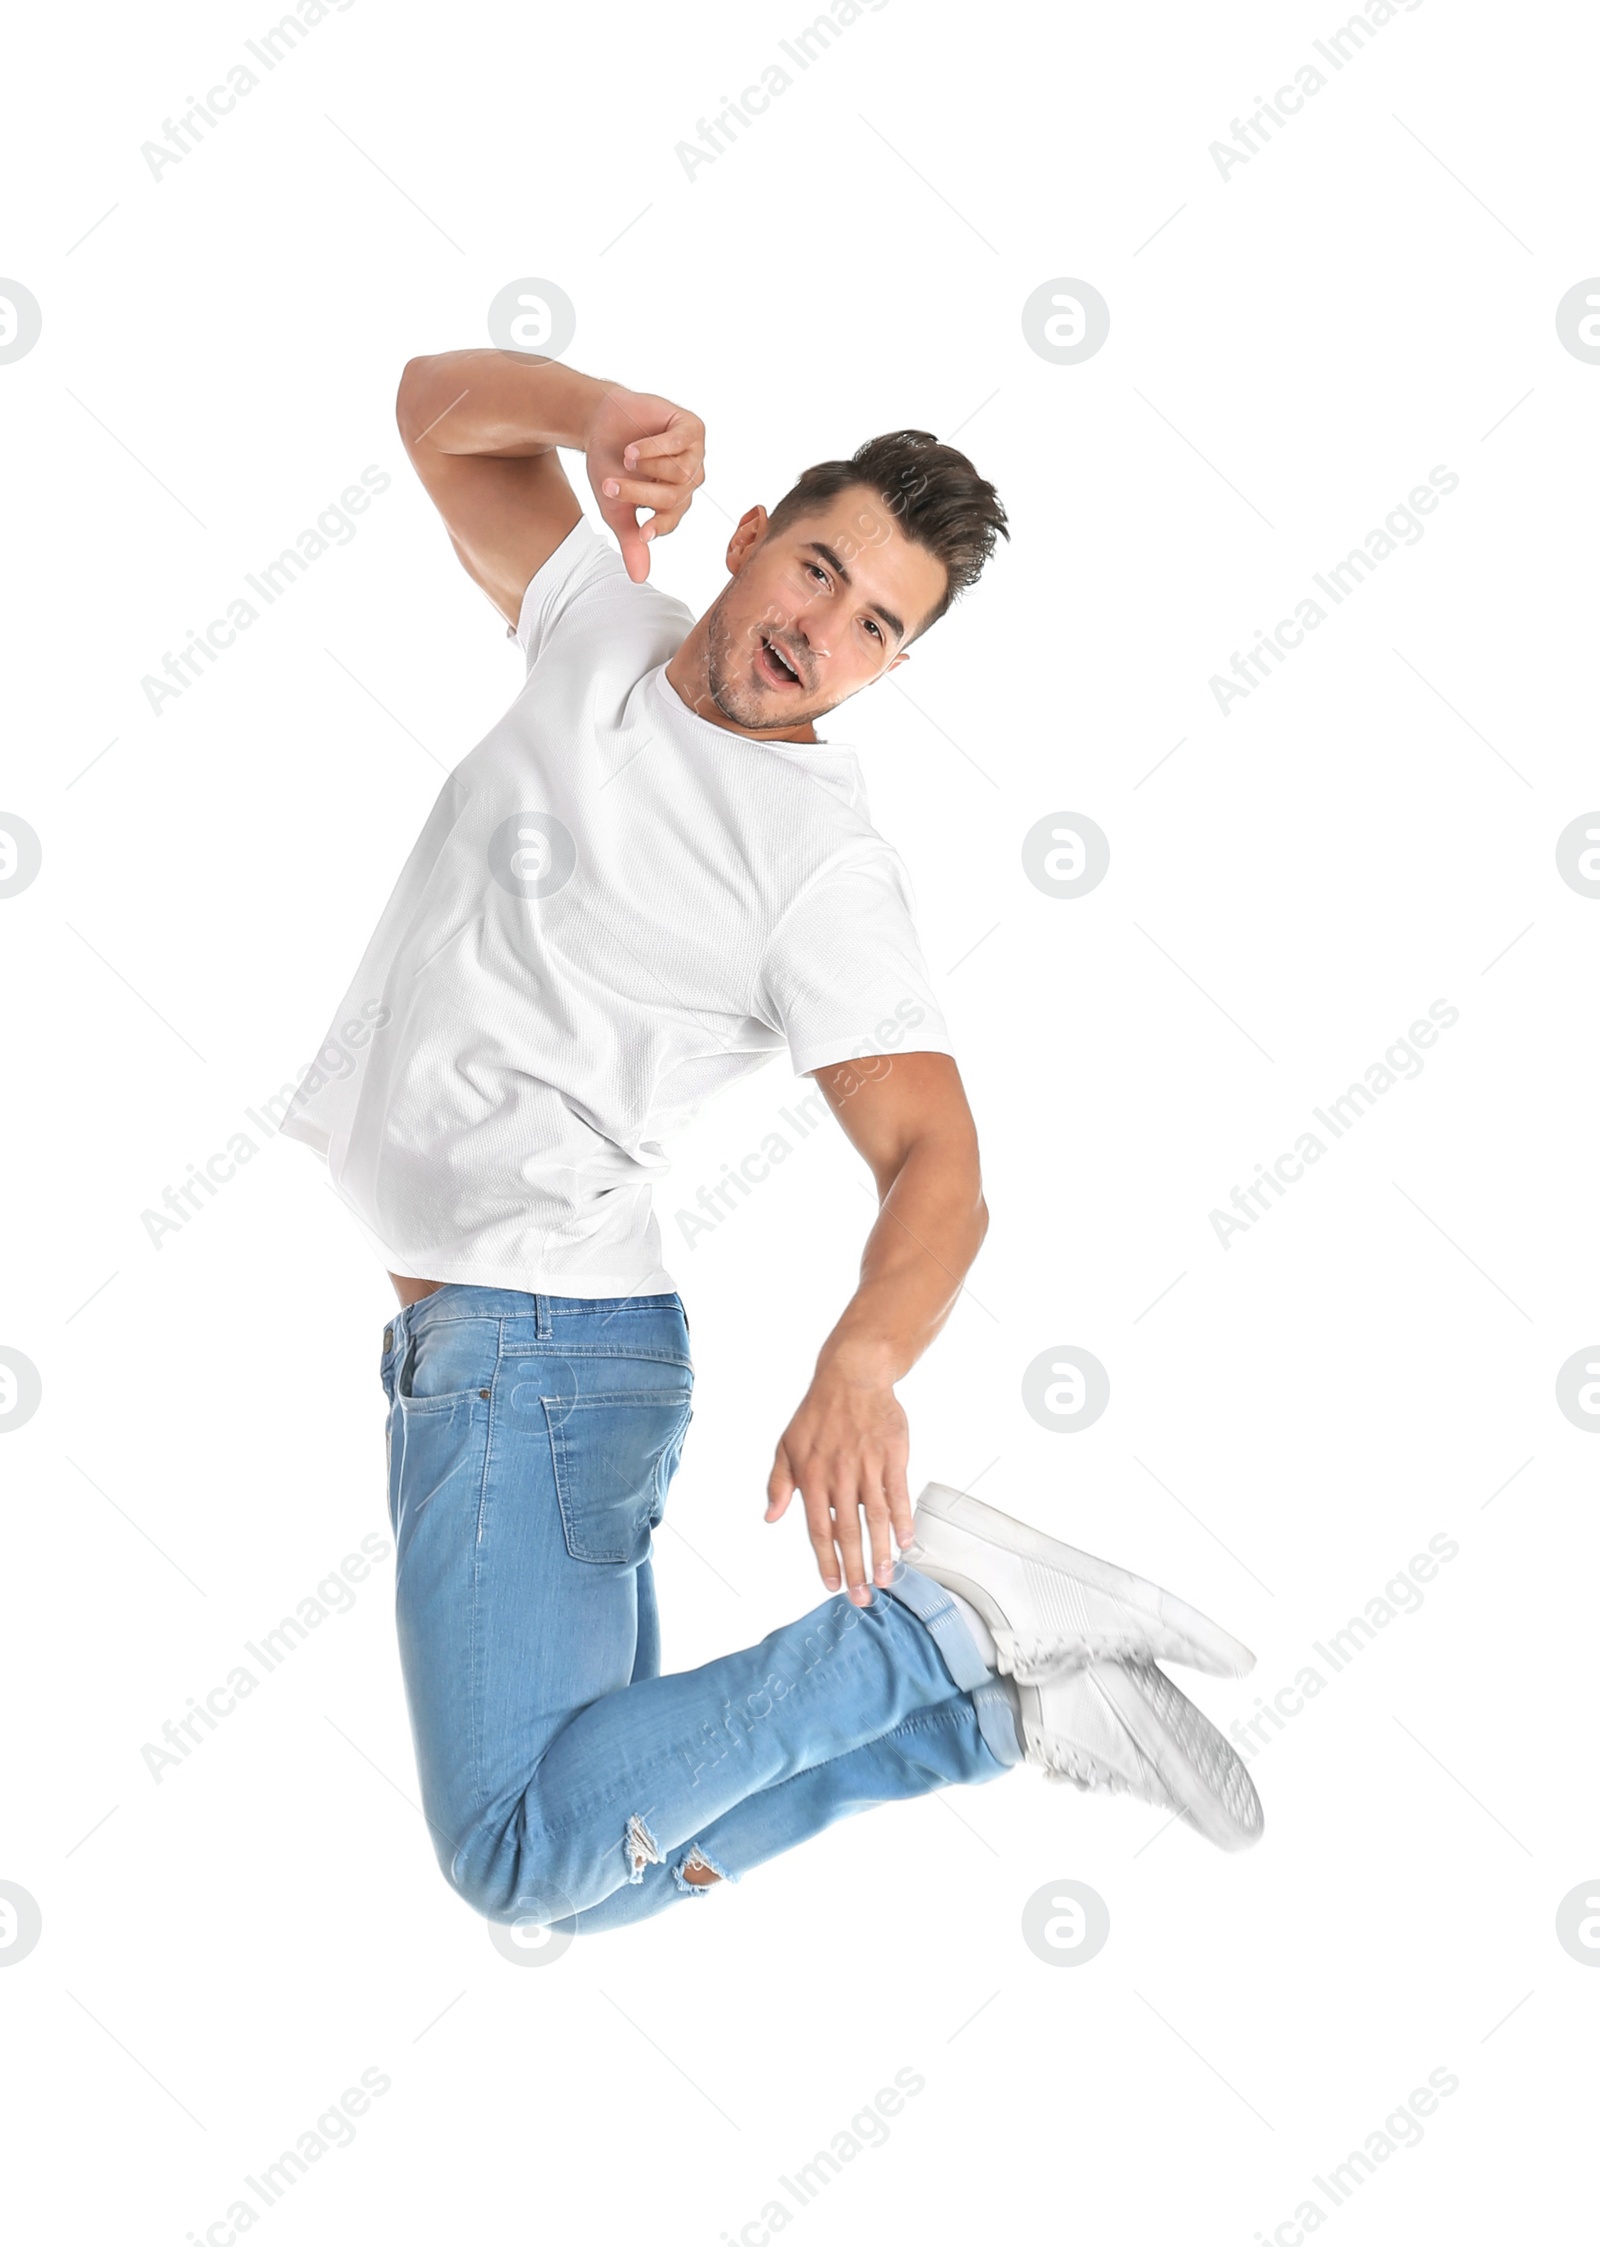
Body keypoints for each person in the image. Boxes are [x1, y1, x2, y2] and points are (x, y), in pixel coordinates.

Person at [280, 348, 1262, 1934]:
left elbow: (939, 1165)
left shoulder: (819, 869)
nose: (822, 633)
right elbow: (429, 416)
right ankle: (999, 1713)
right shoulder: (604, 628)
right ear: (746, 539)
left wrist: (864, 1364)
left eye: (877, 625)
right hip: (503, 1346)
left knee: (518, 1857)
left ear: (891, 669)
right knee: (597, 1881)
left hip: (538, 1352)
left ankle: (941, 1628)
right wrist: (595, 415)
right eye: (819, 570)